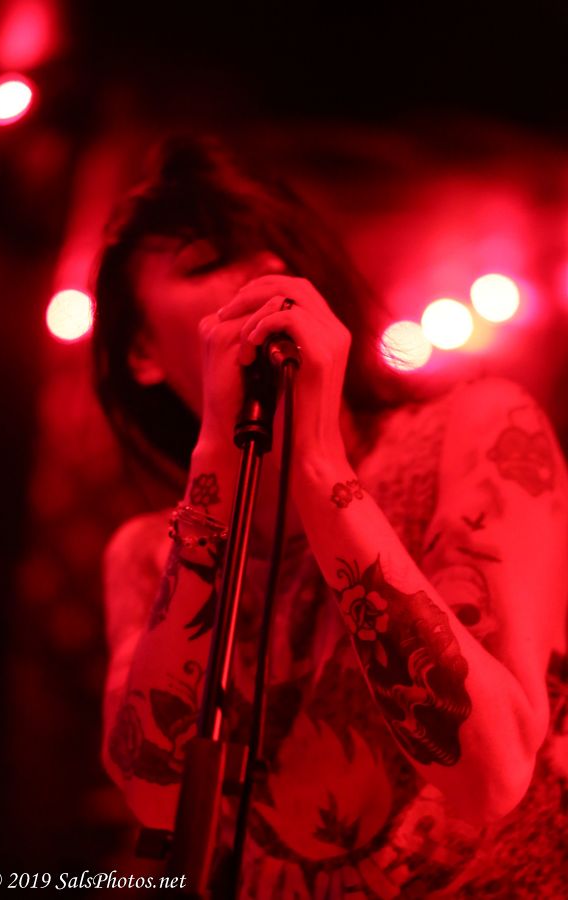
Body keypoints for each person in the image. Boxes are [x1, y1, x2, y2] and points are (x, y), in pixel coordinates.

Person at [92, 132, 568, 898]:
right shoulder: (146, 553)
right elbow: (155, 802)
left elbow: (492, 776)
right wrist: (217, 458)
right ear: (141, 351)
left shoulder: (475, 430)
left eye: (283, 250)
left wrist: (318, 468)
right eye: (209, 262)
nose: (268, 271)